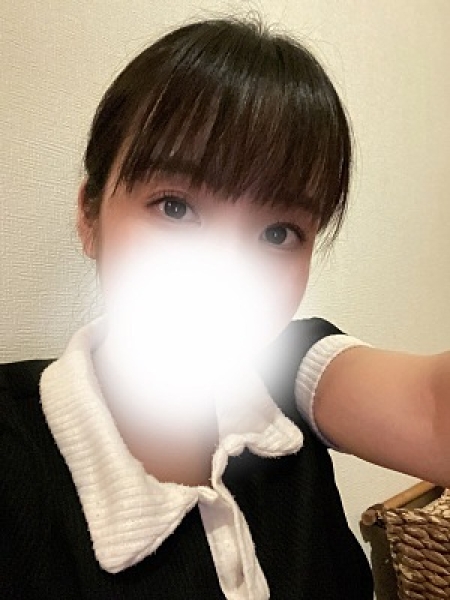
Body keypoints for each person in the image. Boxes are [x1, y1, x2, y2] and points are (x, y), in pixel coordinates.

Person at [1, 15, 448, 600]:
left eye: (278, 232)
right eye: (175, 207)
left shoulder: (287, 372)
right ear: (90, 216)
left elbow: (435, 412)